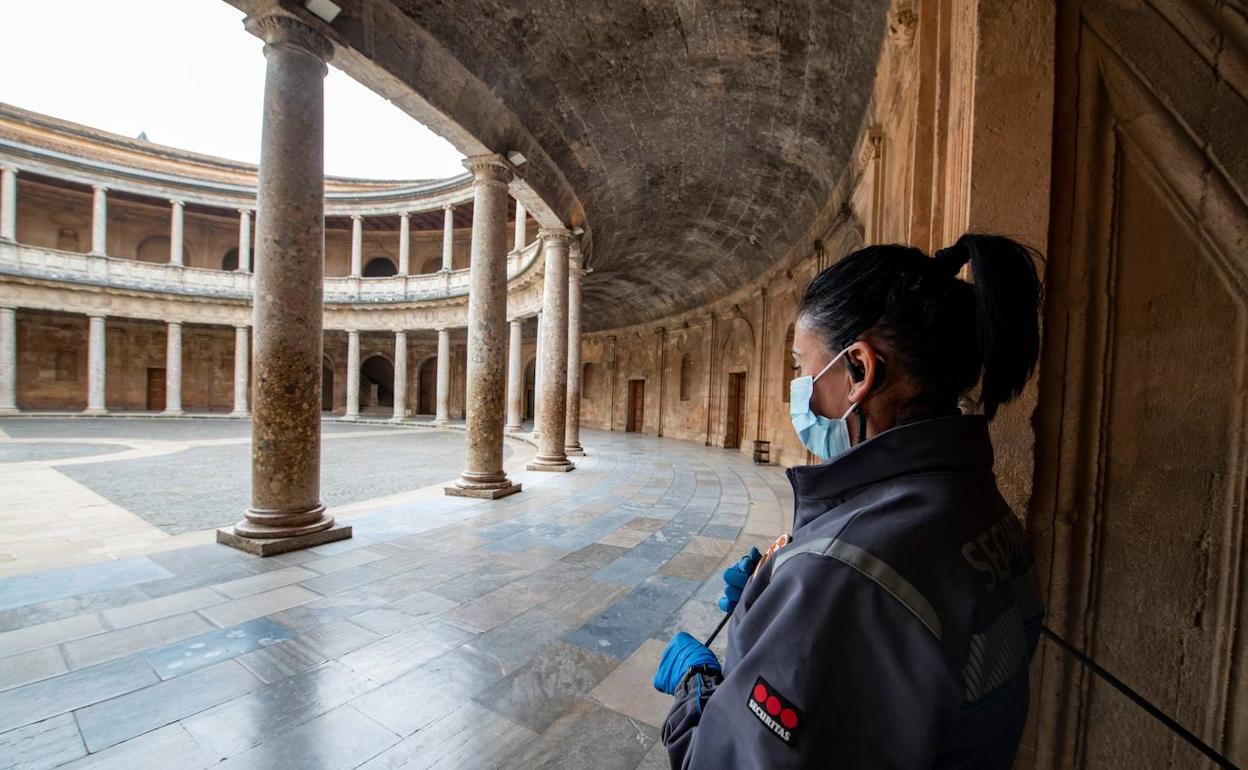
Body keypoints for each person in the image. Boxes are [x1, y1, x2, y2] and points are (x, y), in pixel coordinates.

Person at [653, 234, 1046, 768]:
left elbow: (718, 760)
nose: (799, 387)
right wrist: (766, 603)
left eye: (801, 367)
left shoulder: (840, 574)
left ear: (859, 368)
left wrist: (696, 684)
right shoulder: (978, 504)